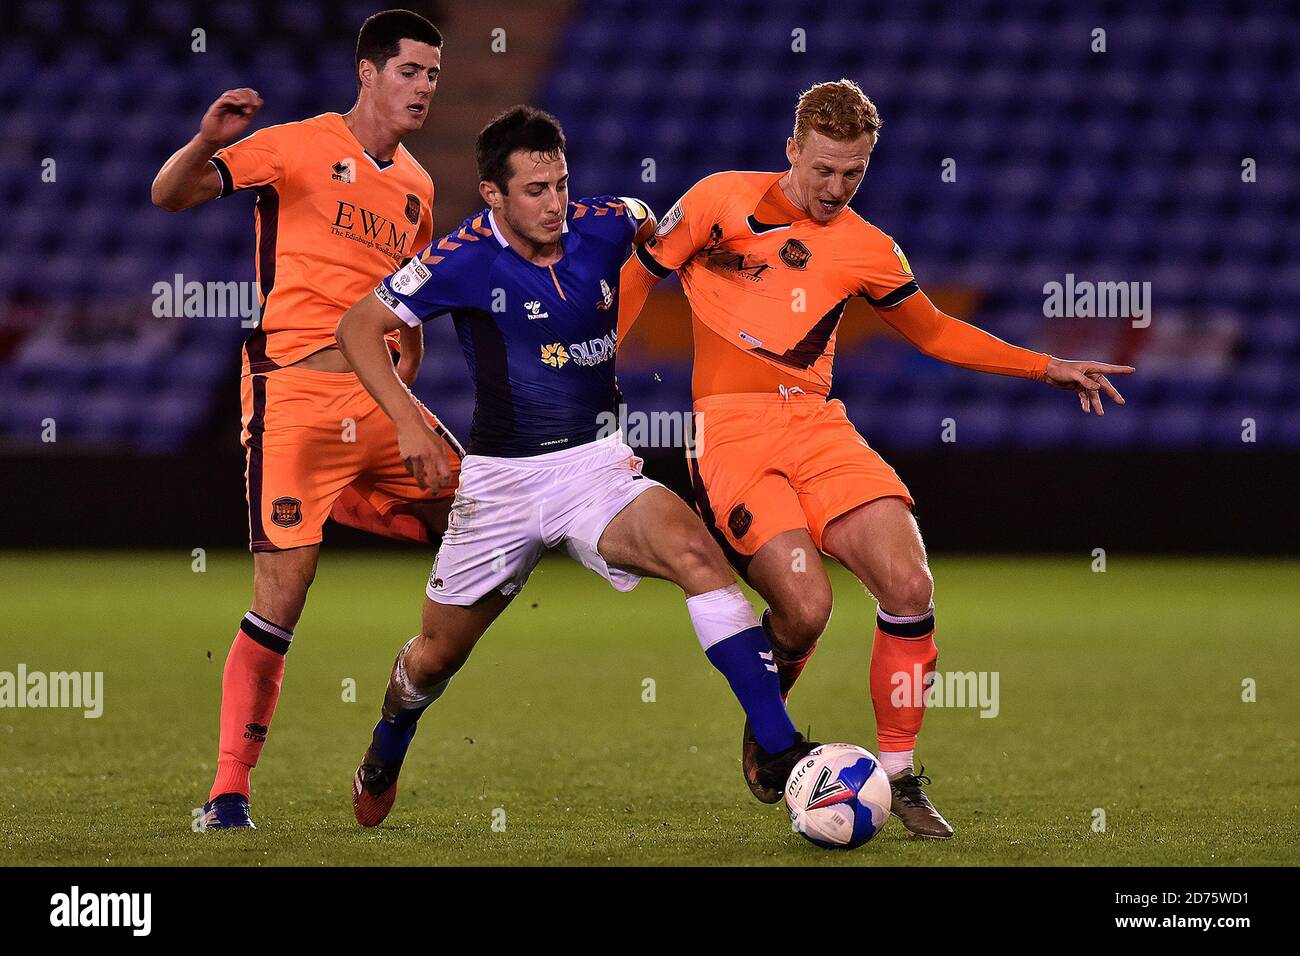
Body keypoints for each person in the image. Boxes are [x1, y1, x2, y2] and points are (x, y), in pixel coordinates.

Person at [615, 79, 1135, 838]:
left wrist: (1044, 365)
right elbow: (638, 274)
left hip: (821, 428)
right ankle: (771, 726)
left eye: (852, 173)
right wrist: (596, 374)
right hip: (731, 432)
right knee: (807, 607)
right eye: (822, 168)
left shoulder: (868, 247)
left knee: (908, 580)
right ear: (792, 148)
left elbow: (935, 333)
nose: (835, 187)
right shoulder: (719, 200)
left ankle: (898, 773)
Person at [333, 105, 812, 827]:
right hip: (500, 483)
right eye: (534, 190)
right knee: (434, 658)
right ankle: (387, 740)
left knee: (696, 556)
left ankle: (778, 749)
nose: (554, 203)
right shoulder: (460, 259)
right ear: (493, 193)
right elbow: (357, 327)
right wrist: (409, 423)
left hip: (594, 467)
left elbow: (661, 230)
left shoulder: (609, 219)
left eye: (560, 183)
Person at [152, 10, 462, 829]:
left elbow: (405, 300)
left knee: (490, 518)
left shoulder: (419, 189)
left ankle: (394, 722)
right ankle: (227, 791)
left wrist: (409, 382)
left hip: (379, 399)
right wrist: (204, 138)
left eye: (433, 74)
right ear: (368, 72)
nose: (424, 87)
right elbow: (170, 194)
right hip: (293, 393)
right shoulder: (294, 145)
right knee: (283, 594)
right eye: (409, 71)